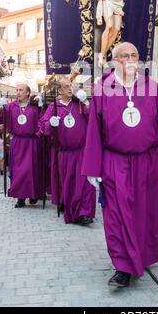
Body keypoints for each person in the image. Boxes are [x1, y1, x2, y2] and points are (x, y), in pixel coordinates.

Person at [82, 42, 158, 288]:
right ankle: (122, 266)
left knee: (144, 212)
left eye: (134, 55)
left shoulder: (151, 87)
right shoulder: (102, 88)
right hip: (114, 161)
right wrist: (92, 168)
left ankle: (143, 255)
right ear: (114, 60)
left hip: (147, 161)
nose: (130, 59)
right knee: (117, 215)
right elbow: (94, 131)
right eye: (124, 55)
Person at [39, 77, 96, 225]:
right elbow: (43, 127)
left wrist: (87, 103)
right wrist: (51, 124)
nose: (70, 88)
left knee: (85, 184)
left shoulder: (79, 104)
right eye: (66, 86)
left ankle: (85, 212)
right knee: (69, 183)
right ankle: (71, 207)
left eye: (71, 85)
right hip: (63, 153)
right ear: (59, 90)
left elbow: (93, 119)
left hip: (82, 152)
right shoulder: (54, 107)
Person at [0, 83, 44, 208]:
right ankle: (20, 197)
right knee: (19, 171)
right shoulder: (10, 107)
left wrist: (42, 107)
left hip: (32, 143)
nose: (18, 92)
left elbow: (43, 120)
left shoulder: (35, 107)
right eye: (17, 90)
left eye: (21, 90)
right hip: (18, 143)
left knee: (31, 170)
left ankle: (33, 195)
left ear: (28, 93)